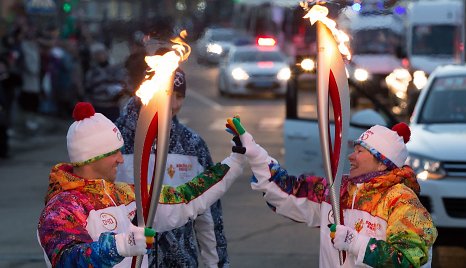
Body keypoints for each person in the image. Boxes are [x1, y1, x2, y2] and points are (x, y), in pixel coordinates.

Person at [37, 102, 246, 267]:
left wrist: (234, 162)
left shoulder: (126, 195)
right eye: (114, 153)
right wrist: (119, 246)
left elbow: (186, 198)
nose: (121, 159)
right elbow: (67, 260)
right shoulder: (61, 209)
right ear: (91, 158)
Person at [226, 117, 438, 268]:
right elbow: (289, 190)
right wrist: (255, 154)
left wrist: (356, 242)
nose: (351, 157)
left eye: (359, 151)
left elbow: (409, 261)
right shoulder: (337, 192)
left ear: (383, 163)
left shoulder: (402, 202)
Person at [115, 65, 230, 267]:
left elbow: (209, 213)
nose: (175, 104)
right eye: (169, 94)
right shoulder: (116, 140)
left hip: (181, 261)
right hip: (127, 260)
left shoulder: (192, 145)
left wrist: (217, 263)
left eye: (180, 96)